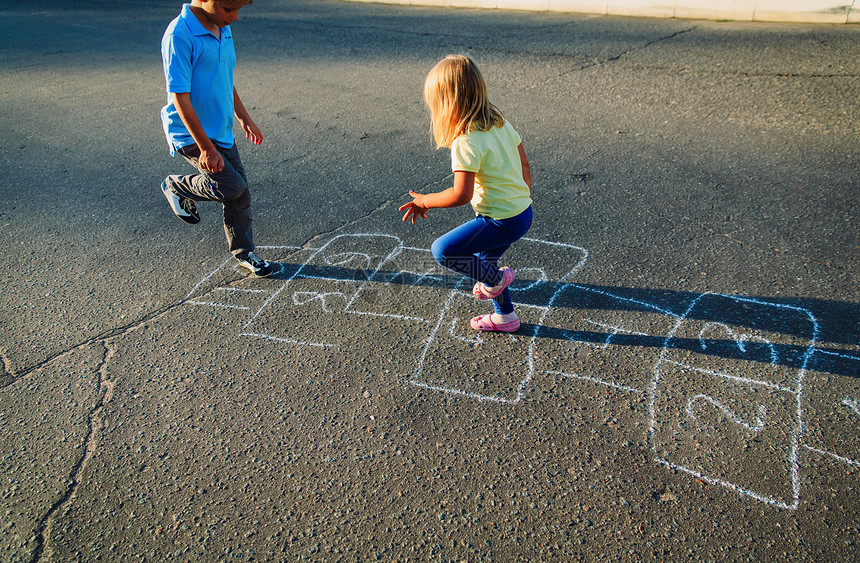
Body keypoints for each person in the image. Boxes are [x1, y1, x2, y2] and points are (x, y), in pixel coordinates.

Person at [400, 55, 533, 333]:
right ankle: (505, 317)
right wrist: (523, 196)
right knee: (484, 263)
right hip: (522, 213)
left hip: (500, 220)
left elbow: (460, 194)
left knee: (444, 250)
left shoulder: (465, 141)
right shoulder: (499, 122)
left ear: (447, 104)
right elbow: (523, 161)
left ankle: (496, 280)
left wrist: (425, 200)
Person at [159, 0, 275, 277]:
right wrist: (205, 148)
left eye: (238, 10)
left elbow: (224, 76)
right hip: (193, 132)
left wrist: (243, 116)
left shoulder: (222, 27)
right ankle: (176, 187)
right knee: (231, 187)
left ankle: (245, 253)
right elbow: (180, 98)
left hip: (220, 129)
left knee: (240, 193)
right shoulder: (180, 35)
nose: (234, 17)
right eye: (228, 9)